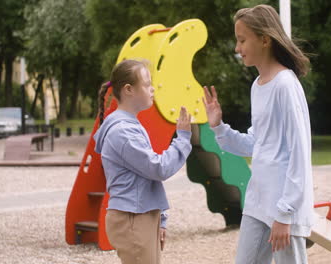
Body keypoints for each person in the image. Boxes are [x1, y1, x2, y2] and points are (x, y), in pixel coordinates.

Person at [203, 4, 314, 264]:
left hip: (284, 208)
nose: (237, 48)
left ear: (264, 39)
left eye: (242, 40)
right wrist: (219, 127)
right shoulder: (258, 85)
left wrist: (285, 213)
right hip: (258, 201)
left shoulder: (286, 85)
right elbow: (257, 144)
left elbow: (299, 153)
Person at [94, 59, 192, 264]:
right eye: (147, 84)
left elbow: (146, 178)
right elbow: (158, 168)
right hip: (133, 218)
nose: (152, 89)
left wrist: (160, 219)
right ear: (129, 89)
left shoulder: (129, 125)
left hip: (140, 215)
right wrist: (182, 138)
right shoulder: (123, 132)